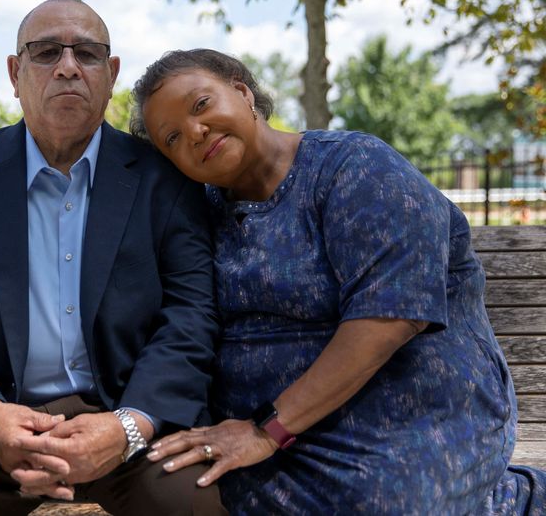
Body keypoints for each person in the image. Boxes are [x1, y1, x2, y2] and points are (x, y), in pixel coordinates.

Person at [128, 48, 546, 514]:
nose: (195, 132)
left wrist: (266, 430)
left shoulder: (356, 167)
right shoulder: (198, 213)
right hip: (271, 437)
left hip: (409, 417)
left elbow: (389, 318)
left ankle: (514, 502)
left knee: (381, 505)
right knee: (183, 488)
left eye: (201, 105)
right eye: (172, 138)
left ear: (242, 92)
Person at [0, 1, 227, 516]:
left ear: (110, 77)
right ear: (15, 73)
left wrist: (127, 425)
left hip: (124, 414)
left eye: (87, 53)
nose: (68, 66)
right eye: (46, 52)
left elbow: (190, 316)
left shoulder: (165, 181)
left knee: (190, 502)